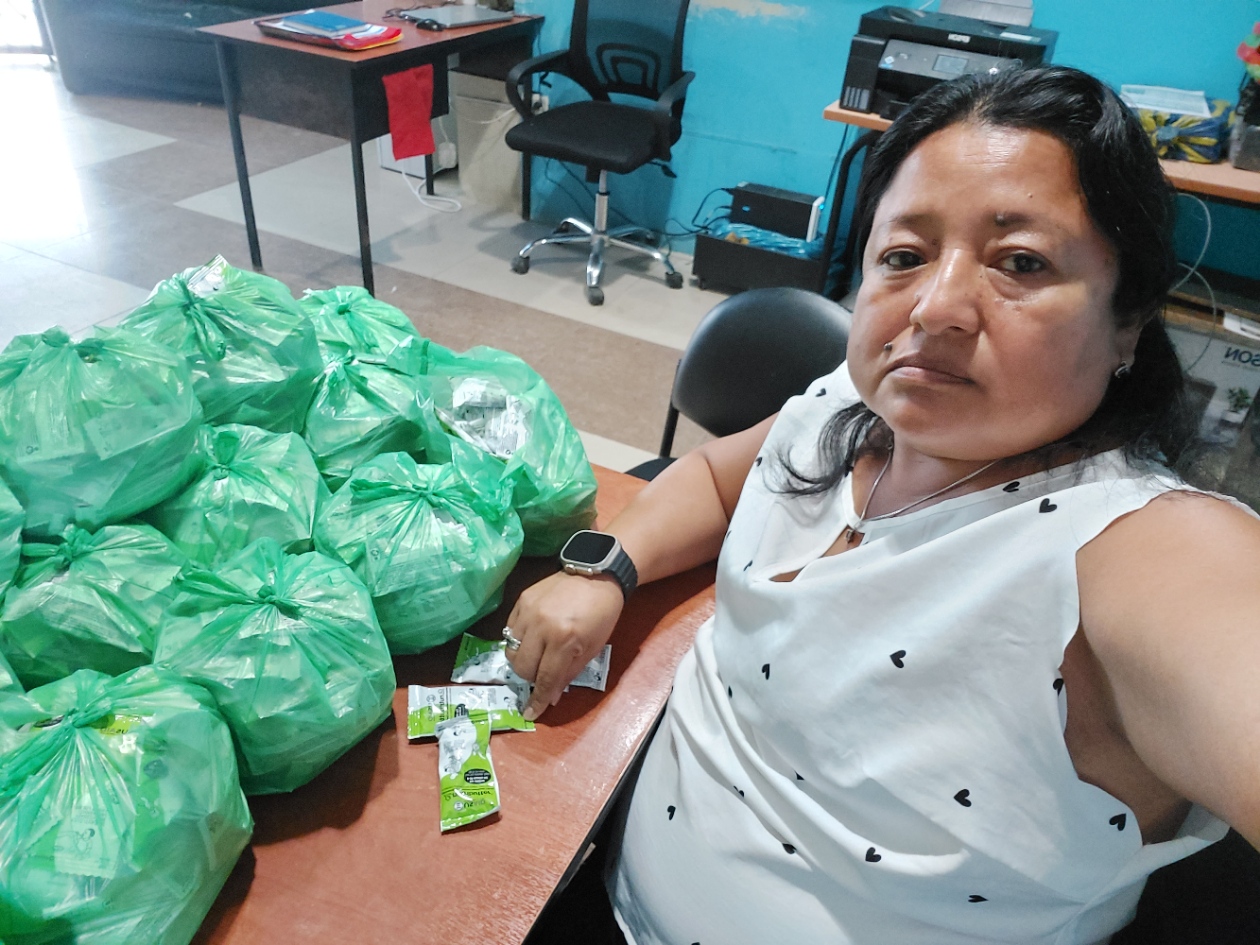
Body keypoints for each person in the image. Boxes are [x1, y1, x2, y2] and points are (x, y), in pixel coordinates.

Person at [505, 65, 1260, 944]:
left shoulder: (1142, 550)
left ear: (1127, 320)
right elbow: (714, 478)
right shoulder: (849, 403)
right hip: (593, 862)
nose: (935, 308)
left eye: (1020, 262)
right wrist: (605, 569)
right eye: (904, 256)